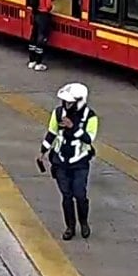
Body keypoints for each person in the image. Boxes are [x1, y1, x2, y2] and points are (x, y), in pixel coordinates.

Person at [36, 83, 99, 241]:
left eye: (70, 102)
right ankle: (70, 227)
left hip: (80, 162)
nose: (66, 104)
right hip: (61, 161)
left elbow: (88, 138)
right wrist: (43, 152)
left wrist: (73, 127)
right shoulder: (58, 114)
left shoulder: (90, 117)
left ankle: (83, 222)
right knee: (66, 196)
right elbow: (52, 133)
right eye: (65, 101)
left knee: (80, 194)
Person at [28, 0, 54, 71]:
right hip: (43, 16)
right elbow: (48, 6)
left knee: (33, 36)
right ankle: (39, 63)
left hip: (36, 15)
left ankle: (32, 61)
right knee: (41, 38)